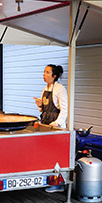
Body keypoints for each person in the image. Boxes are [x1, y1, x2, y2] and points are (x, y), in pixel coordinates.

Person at [34, 64, 68, 193]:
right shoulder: (45, 88)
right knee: (47, 155)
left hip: (56, 128)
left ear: (54, 76)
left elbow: (64, 109)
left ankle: (59, 184)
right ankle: (48, 180)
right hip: (46, 125)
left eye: (47, 72)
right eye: (44, 72)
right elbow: (44, 109)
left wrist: (57, 123)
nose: (44, 74)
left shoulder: (60, 88)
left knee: (57, 156)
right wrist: (39, 105)